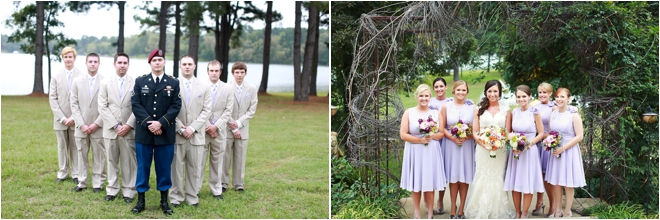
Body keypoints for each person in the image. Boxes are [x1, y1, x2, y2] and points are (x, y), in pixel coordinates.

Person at [130, 49, 181, 215]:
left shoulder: (173, 83)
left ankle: (164, 202)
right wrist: (149, 124)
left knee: (164, 168)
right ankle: (141, 201)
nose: (157, 63)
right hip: (144, 133)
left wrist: (160, 123)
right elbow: (136, 104)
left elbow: (176, 106)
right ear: (150, 63)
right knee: (143, 167)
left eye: (160, 60)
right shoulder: (140, 81)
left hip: (165, 133)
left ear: (164, 62)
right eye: (154, 60)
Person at [464, 80, 515, 219]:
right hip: (482, 149)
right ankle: (479, 209)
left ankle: (497, 210)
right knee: (482, 175)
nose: (492, 94)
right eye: (490, 91)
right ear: (486, 92)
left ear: (499, 93)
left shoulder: (506, 110)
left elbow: (507, 131)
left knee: (497, 176)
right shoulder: (478, 108)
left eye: (495, 91)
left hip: (500, 149)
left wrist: (498, 143)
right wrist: (483, 143)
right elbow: (475, 131)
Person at [169, 55, 212, 207]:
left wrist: (192, 128)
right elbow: (168, 110)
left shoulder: (204, 86)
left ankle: (192, 197)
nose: (187, 66)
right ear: (180, 66)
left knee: (195, 168)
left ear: (194, 66)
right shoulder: (171, 85)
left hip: (196, 135)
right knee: (176, 168)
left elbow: (207, 110)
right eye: (184, 64)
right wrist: (181, 128)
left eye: (190, 64)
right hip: (177, 134)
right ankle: (176, 197)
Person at [400, 84, 447, 219]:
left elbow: (441, 134)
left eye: (426, 96)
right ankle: (417, 213)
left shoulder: (436, 113)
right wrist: (420, 140)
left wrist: (431, 135)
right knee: (416, 184)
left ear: (430, 98)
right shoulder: (409, 112)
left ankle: (430, 213)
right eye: (421, 95)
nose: (424, 98)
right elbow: (403, 135)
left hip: (431, 152)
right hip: (415, 152)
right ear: (417, 97)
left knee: (429, 183)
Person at [98, 52, 137, 203]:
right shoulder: (105, 83)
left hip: (129, 129)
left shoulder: (135, 83)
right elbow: (102, 106)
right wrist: (115, 125)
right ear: (114, 64)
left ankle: (129, 191)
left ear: (128, 64)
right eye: (119, 63)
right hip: (111, 129)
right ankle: (112, 189)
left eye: (125, 63)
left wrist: (128, 125)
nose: (122, 66)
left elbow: (138, 107)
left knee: (128, 161)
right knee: (112, 160)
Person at [503, 85, 546, 218]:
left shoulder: (535, 112)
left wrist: (528, 145)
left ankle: (525, 213)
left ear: (529, 96)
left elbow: (541, 133)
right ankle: (517, 212)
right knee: (516, 183)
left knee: (527, 182)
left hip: (529, 151)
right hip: (515, 152)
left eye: (523, 96)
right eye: (518, 97)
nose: (521, 99)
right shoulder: (514, 112)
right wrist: (512, 141)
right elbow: (508, 131)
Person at [545, 88, 586, 218]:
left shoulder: (573, 115)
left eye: (562, 97)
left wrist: (563, 148)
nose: (559, 99)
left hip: (569, 151)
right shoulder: (553, 114)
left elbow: (579, 136)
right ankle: (558, 210)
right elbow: (551, 132)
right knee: (556, 182)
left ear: (568, 98)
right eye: (557, 97)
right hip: (556, 152)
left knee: (568, 183)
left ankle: (567, 211)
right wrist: (551, 143)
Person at [70, 53, 106, 193]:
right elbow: (74, 104)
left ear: (99, 64)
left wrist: (97, 123)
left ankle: (98, 183)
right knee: (81, 155)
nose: (92, 64)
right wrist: (81, 124)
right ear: (85, 63)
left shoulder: (105, 81)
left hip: (98, 126)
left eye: (95, 61)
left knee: (99, 156)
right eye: (90, 61)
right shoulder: (77, 81)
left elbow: (106, 105)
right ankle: (82, 182)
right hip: (81, 126)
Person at [440, 80, 475, 219]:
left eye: (463, 90)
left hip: (466, 144)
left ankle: (462, 208)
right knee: (454, 177)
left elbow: (475, 128)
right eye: (458, 90)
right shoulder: (446, 106)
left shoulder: (472, 108)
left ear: (467, 92)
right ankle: (453, 207)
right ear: (453, 91)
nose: (461, 92)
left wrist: (466, 136)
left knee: (464, 177)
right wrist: (453, 138)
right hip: (451, 144)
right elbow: (441, 127)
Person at [222, 62, 258, 192]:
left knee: (240, 157)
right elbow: (223, 108)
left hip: (243, 129)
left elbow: (251, 110)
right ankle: (223, 183)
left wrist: (238, 124)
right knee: (225, 157)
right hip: (227, 128)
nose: (239, 75)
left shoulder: (252, 88)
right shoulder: (226, 87)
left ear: (245, 73)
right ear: (232, 73)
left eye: (242, 72)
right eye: (237, 72)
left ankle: (239, 184)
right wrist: (233, 126)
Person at [200, 60, 234, 200]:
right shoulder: (201, 87)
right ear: (208, 71)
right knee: (199, 162)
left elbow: (228, 110)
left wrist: (216, 126)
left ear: (220, 72)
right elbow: (199, 109)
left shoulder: (228, 88)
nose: (214, 73)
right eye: (211, 70)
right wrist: (208, 126)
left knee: (217, 161)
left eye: (216, 70)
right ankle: (195, 188)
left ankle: (216, 190)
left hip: (219, 131)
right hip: (203, 130)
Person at [49, 46, 82, 184]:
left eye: (70, 57)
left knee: (75, 146)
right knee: (62, 146)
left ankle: (76, 174)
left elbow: (82, 99)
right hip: (60, 119)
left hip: (76, 119)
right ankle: (62, 173)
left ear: (74, 58)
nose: (68, 59)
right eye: (65, 57)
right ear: (62, 58)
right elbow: (53, 98)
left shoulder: (81, 75)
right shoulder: (56, 76)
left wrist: (74, 117)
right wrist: (62, 118)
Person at [429, 77, 452, 215]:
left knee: (443, 171)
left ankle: (440, 199)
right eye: (436, 87)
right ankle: (429, 200)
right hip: (432, 139)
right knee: (431, 170)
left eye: (441, 86)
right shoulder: (429, 101)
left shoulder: (450, 102)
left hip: (446, 139)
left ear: (446, 87)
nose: (439, 89)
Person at [532, 82, 556, 216]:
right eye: (540, 92)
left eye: (544, 92)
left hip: (547, 144)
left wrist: (544, 135)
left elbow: (555, 129)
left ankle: (553, 206)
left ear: (550, 93)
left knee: (547, 176)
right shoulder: (535, 107)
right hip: (536, 143)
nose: (542, 95)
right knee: (538, 175)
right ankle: (539, 202)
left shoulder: (554, 107)